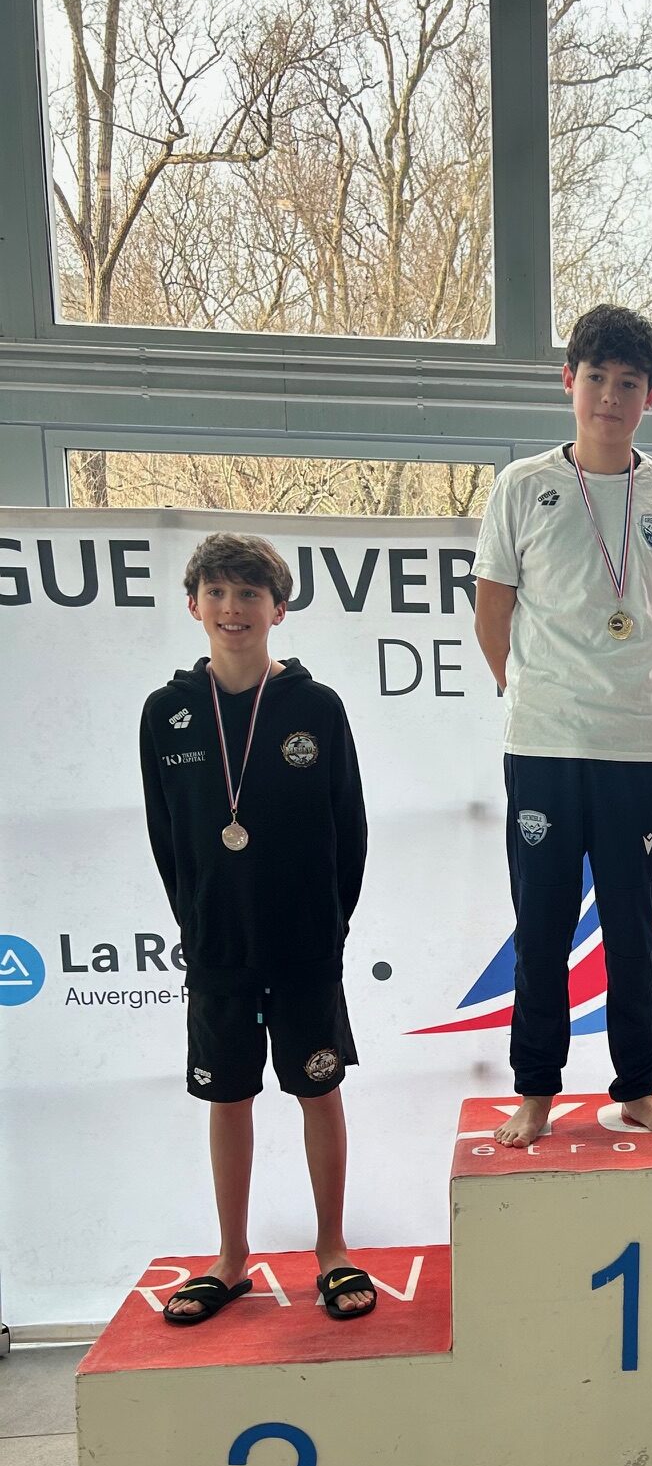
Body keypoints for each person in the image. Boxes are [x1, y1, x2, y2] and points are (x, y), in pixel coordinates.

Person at [473, 304, 652, 1147]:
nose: (611, 396)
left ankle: (637, 1087)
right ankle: (536, 1090)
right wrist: (533, 693)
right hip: (542, 744)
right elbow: (493, 611)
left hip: (634, 751)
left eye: (629, 383)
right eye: (597, 378)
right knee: (540, 928)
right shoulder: (522, 486)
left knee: (632, 932)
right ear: (568, 381)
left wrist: (636, 695)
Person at [139, 533, 374, 1325]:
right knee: (228, 1096)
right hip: (219, 947)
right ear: (193, 605)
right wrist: (200, 919)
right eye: (217, 592)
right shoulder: (166, 714)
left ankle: (332, 1249)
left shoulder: (316, 707)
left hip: (304, 942)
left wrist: (328, 925)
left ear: (278, 609)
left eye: (249, 594)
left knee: (319, 1090)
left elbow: (350, 830)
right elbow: (167, 839)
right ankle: (231, 1259)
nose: (232, 608)